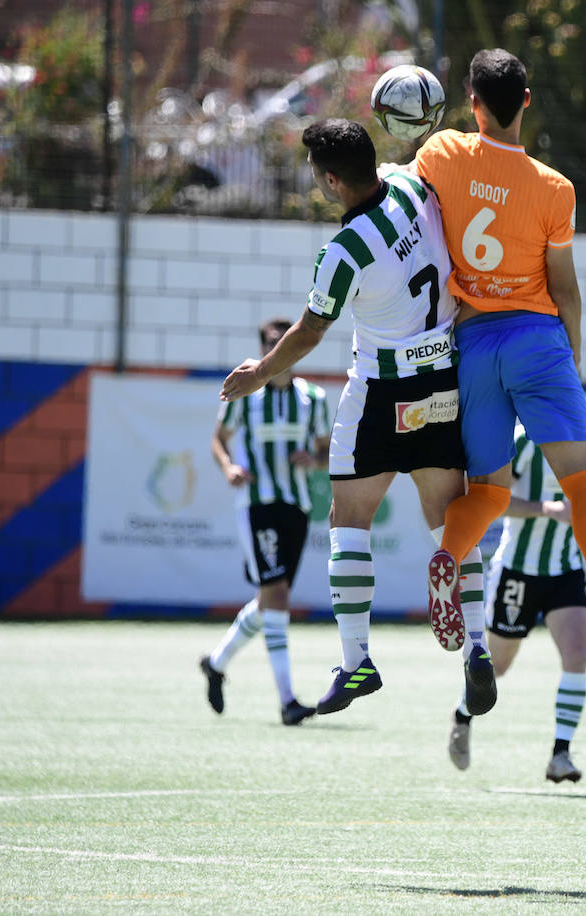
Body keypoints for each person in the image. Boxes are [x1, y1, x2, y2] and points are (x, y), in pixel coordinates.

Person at [221, 118, 498, 719]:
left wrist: (259, 374)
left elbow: (308, 333)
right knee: (449, 525)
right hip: (441, 380)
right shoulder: (410, 185)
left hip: (380, 389)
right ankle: (476, 644)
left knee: (349, 520)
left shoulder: (342, 251)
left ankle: (356, 661)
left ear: (328, 180)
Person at [409, 48, 586, 674]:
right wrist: (568, 356)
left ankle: (447, 557)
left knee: (490, 491)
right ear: (526, 100)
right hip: (537, 339)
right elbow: (564, 286)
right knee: (582, 481)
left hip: (473, 345)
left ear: (472, 103)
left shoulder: (442, 155)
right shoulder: (554, 188)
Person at [447, 424, 586, 783]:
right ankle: (461, 715)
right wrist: (547, 509)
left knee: (577, 655)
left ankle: (561, 754)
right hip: (518, 571)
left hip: (565, 569)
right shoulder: (521, 440)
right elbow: (495, 501)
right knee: (498, 666)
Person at [200, 317, 332, 726]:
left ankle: (216, 663)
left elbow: (327, 451)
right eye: (273, 343)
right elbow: (218, 441)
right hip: (256, 504)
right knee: (276, 596)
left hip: (296, 504)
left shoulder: (313, 397)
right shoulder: (246, 392)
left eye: (286, 342)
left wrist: (314, 461)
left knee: (269, 600)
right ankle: (288, 700)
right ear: (264, 349)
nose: (281, 349)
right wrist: (229, 469)